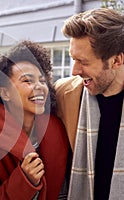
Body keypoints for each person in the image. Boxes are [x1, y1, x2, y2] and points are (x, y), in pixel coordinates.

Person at [0, 40, 69, 200]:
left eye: (42, 81)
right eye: (28, 80)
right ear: (5, 93)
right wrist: (24, 181)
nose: (39, 87)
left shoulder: (57, 131)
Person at [54, 8, 124, 199]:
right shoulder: (63, 94)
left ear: (117, 60)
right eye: (73, 59)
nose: (75, 70)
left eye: (83, 62)